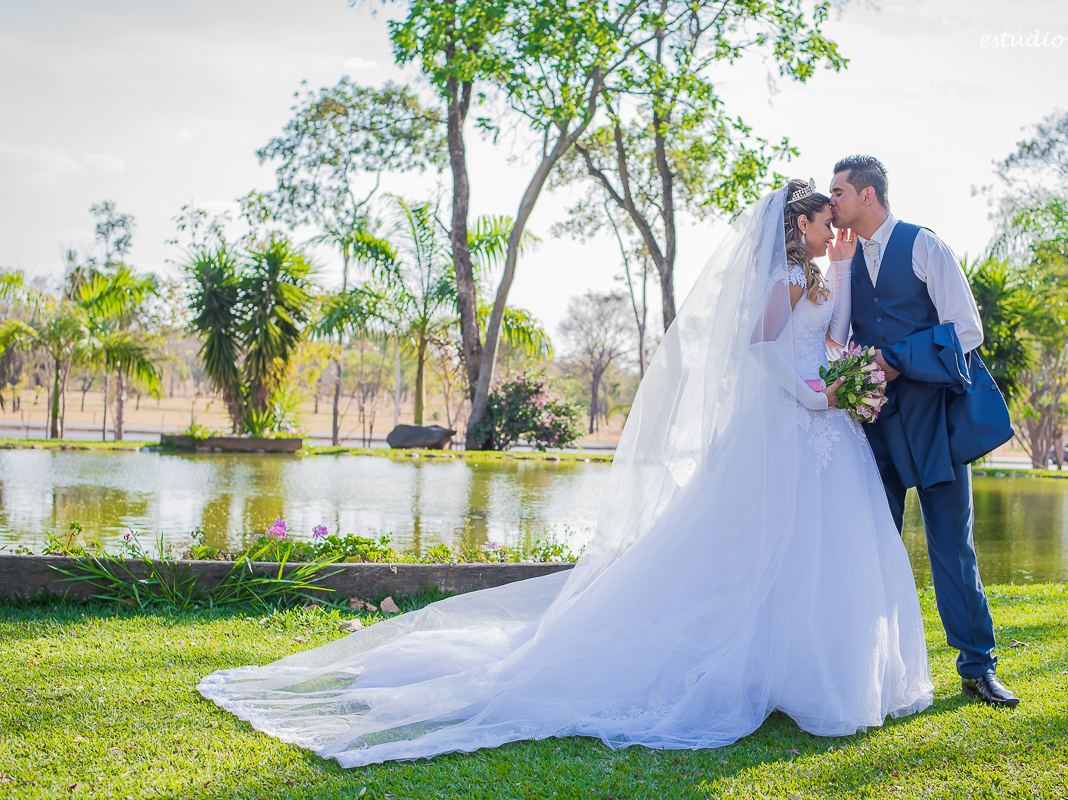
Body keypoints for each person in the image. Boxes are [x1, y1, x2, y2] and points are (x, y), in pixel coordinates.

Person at [197, 179, 934, 766]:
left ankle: (813, 677)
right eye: (818, 217)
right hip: (786, 425)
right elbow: (767, 356)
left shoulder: (818, 276)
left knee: (820, 555)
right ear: (796, 225)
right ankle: (760, 671)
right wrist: (813, 393)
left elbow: (832, 338)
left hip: (824, 434)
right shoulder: (774, 287)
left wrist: (840, 367)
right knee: (766, 548)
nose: (827, 223)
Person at [827, 154, 1019, 708]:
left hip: (932, 420)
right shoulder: (844, 258)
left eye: (838, 191)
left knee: (951, 547)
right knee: (870, 543)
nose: (830, 200)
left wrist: (895, 357)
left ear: (868, 195)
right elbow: (840, 335)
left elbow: (968, 329)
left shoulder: (924, 246)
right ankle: (864, 667)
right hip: (874, 424)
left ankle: (978, 667)